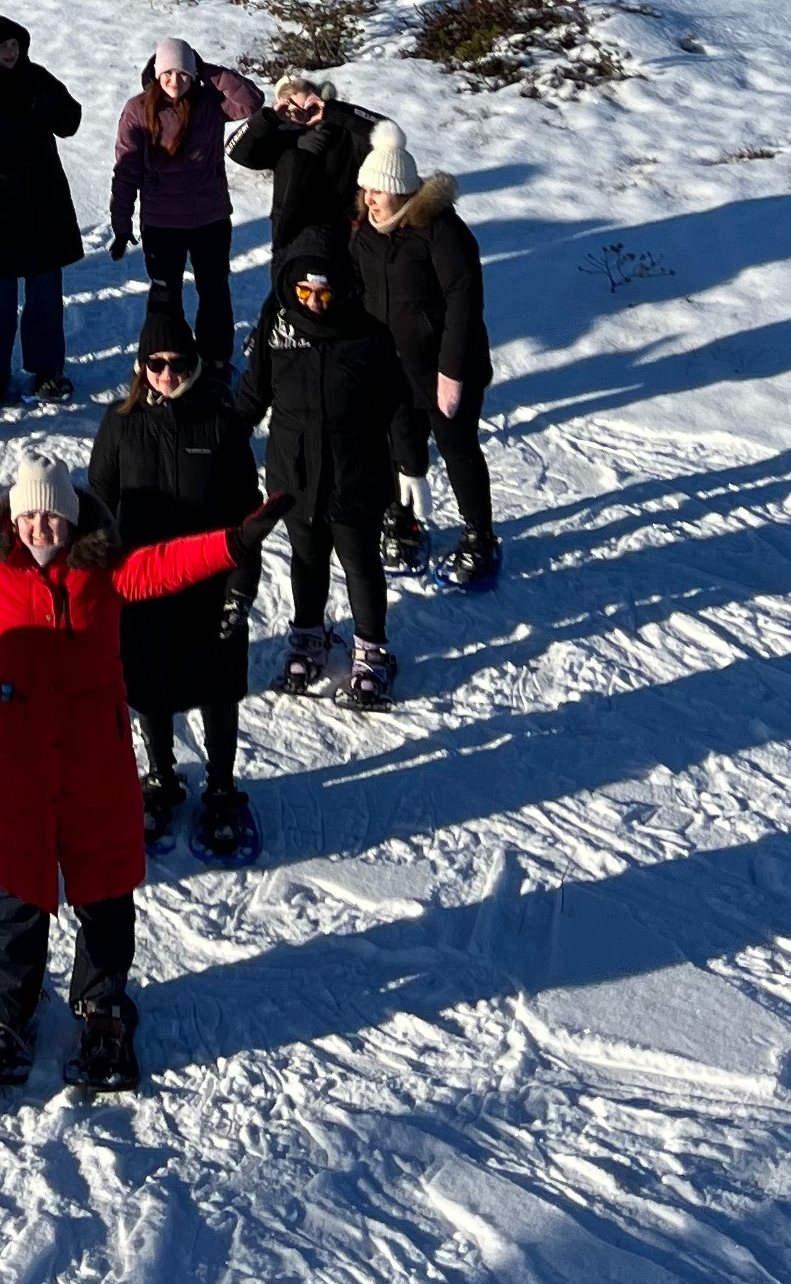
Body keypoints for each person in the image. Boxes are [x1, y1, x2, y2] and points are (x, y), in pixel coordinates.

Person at [0, 449, 279, 1092]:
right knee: (18, 892)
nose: (40, 528)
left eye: (52, 517)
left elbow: (170, 565)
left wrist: (234, 543)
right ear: (12, 518)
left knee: (104, 889)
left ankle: (102, 1006)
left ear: (71, 518)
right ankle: (5, 1016)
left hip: (97, 764)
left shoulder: (106, 570)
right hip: (23, 767)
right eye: (28, 516)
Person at [86, 298, 265, 861]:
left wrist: (241, 584)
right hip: (142, 585)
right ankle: (159, 777)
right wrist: (98, 579)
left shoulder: (222, 422)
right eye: (157, 363)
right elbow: (99, 506)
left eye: (179, 364)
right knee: (149, 687)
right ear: (141, 366)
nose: (168, 374)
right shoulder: (119, 425)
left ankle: (220, 786)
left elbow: (247, 515)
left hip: (210, 582)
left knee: (218, 686)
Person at [234, 230, 403, 708]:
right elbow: (255, 392)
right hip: (295, 470)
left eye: (324, 292)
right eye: (304, 292)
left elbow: (397, 403)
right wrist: (225, 439)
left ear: (342, 288)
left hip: (356, 470)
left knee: (359, 561)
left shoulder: (368, 332)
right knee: (306, 557)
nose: (314, 303)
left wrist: (410, 464)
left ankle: (371, 653)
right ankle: (308, 637)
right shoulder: (277, 325)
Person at [352, 125, 499, 588]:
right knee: (402, 446)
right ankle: (405, 519)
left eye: (376, 190)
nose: (368, 197)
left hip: (444, 369)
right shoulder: (366, 235)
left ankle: (480, 535)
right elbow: (357, 294)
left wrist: (451, 372)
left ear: (400, 191)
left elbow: (464, 302)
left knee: (457, 449)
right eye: (365, 188)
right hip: (391, 366)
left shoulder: (442, 232)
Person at [0, 12, 84, 409]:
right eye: (2, 46)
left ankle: (46, 371)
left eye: (15, 45)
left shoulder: (36, 77)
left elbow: (71, 119)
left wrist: (43, 104)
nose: (10, 52)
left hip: (42, 205)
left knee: (43, 293)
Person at [106, 41, 259, 383]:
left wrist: (207, 71)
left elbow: (251, 101)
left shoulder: (210, 103)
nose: (176, 80)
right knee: (165, 295)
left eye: (184, 73)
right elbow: (127, 170)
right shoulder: (138, 110)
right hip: (162, 224)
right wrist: (121, 223)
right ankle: (164, 363)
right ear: (157, 73)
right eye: (169, 73)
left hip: (211, 219)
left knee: (215, 292)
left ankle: (216, 362)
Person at [229, 73, 387, 270]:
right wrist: (267, 119)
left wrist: (333, 111)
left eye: (309, 107)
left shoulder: (346, 133)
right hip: (290, 233)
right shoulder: (282, 139)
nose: (304, 115)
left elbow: (386, 131)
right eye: (294, 111)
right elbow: (235, 150)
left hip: (340, 233)